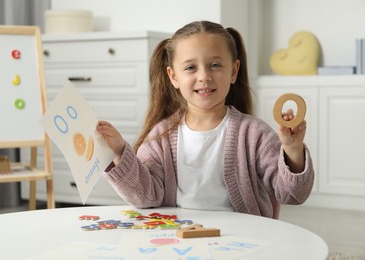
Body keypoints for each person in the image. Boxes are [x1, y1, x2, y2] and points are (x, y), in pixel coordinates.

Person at [97, 20, 314, 218]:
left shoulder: (255, 134)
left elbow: (292, 195)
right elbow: (145, 197)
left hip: (244, 238)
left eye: (215, 65)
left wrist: (293, 150)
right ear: (174, 77)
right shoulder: (159, 137)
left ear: (234, 71)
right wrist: (119, 153)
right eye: (191, 67)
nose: (204, 76)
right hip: (180, 236)